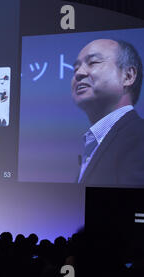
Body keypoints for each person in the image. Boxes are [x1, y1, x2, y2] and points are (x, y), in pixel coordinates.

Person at [71, 39, 144, 185]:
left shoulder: (139, 137)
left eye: (93, 62)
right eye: (75, 69)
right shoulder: (95, 141)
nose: (79, 73)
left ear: (128, 76)